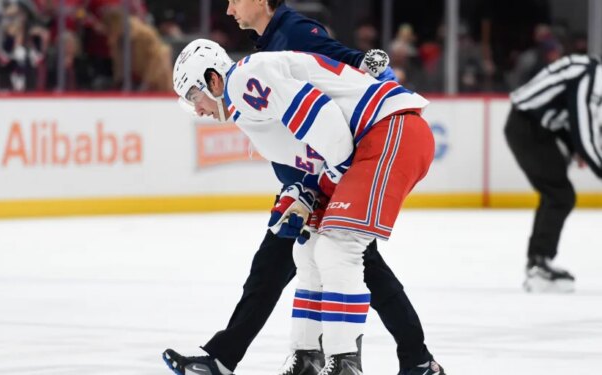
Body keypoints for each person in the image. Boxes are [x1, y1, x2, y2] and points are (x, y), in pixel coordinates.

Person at [163, 2, 444, 375]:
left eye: (194, 96)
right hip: (369, 139)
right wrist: (304, 196)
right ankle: (310, 357)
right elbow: (310, 151)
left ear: (213, 79)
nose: (197, 109)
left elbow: (324, 117)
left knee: (339, 249)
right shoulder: (246, 90)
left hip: (384, 132)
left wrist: (335, 179)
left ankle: (347, 363)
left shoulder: (245, 81)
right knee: (310, 247)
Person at [505, 54, 602, 293]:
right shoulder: (590, 75)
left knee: (556, 194)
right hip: (526, 127)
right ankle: (538, 263)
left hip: (533, 126)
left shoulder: (588, 70)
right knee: (559, 195)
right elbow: (584, 129)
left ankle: (538, 261)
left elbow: (572, 116)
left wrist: (575, 147)